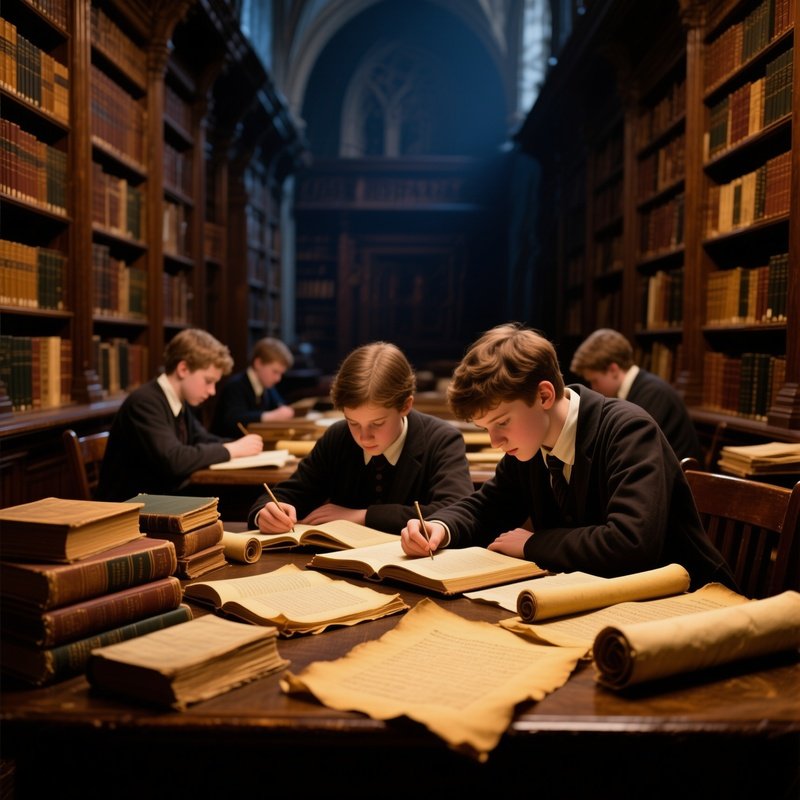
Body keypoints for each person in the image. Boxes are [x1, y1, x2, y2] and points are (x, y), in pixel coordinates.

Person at [400, 323, 736, 591]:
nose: (496, 441)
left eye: (501, 422)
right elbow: (488, 506)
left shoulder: (628, 430)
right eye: (487, 427)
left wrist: (534, 545)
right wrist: (441, 527)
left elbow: (632, 544)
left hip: (688, 600)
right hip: (603, 596)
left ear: (544, 395)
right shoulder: (530, 443)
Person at [247, 341, 474, 534]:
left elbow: (456, 510)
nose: (364, 437)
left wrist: (363, 516)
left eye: (377, 423)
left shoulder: (442, 439)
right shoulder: (338, 436)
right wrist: (266, 512)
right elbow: (286, 494)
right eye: (353, 422)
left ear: (406, 405)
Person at [96, 328, 264, 501]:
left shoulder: (178, 400)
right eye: (208, 381)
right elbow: (174, 460)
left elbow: (202, 438)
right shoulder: (145, 402)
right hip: (130, 510)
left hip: (160, 500)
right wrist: (231, 449)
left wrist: (241, 446)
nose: (212, 391)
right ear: (183, 369)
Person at [569, 328, 703, 463]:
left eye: (594, 381)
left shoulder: (654, 394)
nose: (593, 388)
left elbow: (633, 450)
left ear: (613, 370)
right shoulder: (636, 390)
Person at [211, 337, 295, 438]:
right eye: (275, 372)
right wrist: (270, 416)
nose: (278, 378)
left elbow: (280, 407)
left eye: (281, 374)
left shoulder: (267, 386)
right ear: (258, 363)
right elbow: (233, 420)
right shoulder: (235, 386)